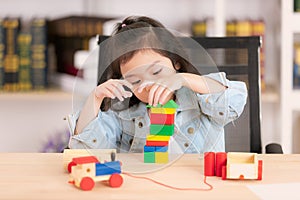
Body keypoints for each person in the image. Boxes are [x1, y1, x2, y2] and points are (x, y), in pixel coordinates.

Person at [68, 16, 247, 154]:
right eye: (135, 81)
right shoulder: (123, 117)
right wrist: (95, 97)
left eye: (156, 72)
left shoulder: (203, 102)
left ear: (176, 62)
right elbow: (85, 148)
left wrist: (184, 79)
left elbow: (232, 101)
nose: (148, 85)